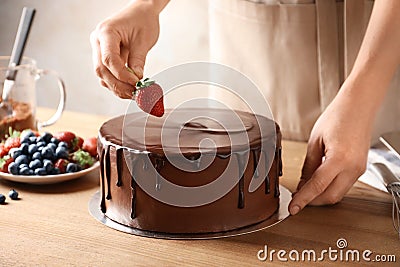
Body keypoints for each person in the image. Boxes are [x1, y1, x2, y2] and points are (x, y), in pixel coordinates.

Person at [90, 0, 400, 215]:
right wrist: (146, 6)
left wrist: (365, 92)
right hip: (255, 38)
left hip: (381, 39)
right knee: (228, 176)